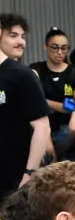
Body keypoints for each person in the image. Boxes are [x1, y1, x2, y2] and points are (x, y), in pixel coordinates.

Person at [0, 13, 51, 202]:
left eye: (22, 37)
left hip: (14, 179)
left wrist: (29, 175)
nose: (20, 42)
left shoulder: (22, 75)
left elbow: (42, 126)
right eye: (13, 35)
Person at [29, 27, 75, 149]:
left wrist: (45, 101)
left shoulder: (73, 73)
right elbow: (30, 101)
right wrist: (59, 105)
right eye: (54, 47)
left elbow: (74, 107)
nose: (59, 52)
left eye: (64, 48)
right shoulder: (36, 69)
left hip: (66, 130)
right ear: (46, 46)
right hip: (41, 127)